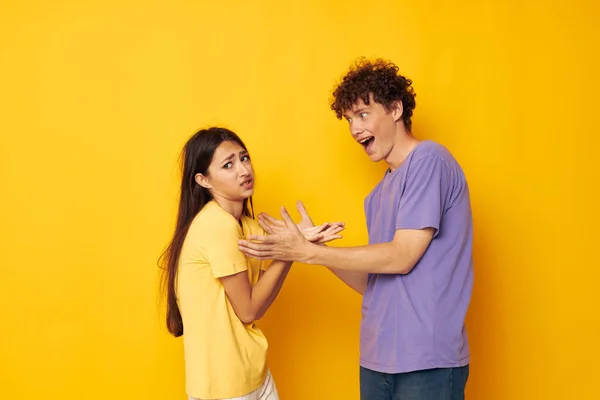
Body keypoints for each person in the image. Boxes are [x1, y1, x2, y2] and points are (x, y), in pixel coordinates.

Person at [238, 59, 474, 399]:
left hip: (428, 360)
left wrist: (309, 251)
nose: (353, 128)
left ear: (395, 109)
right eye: (349, 119)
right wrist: (315, 251)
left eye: (363, 114)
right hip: (377, 361)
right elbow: (374, 283)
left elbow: (402, 256)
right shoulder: (377, 195)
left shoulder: (429, 161)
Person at [160, 127, 344, 400]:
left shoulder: (244, 225)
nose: (243, 170)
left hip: (252, 375)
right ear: (203, 180)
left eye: (244, 158)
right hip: (224, 388)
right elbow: (248, 309)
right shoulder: (216, 225)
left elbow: (281, 251)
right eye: (228, 165)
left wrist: (303, 240)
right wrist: (290, 251)